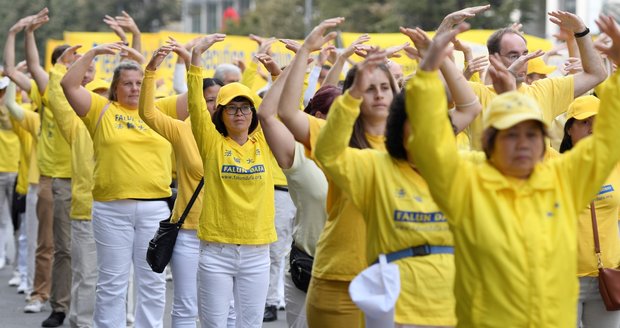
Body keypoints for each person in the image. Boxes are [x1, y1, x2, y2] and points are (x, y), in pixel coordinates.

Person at [405, 15, 620, 327]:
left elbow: (607, 135)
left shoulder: (559, 176)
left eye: (532, 134)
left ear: (544, 140)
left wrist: (593, 44)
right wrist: (433, 57)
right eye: (511, 134)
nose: (523, 144)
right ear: (492, 141)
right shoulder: (471, 179)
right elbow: (425, 134)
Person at [61, 43, 175, 328]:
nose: (135, 88)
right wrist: (94, 54)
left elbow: (198, 100)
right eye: (127, 83)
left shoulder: (161, 108)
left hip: (154, 209)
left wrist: (187, 57)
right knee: (112, 281)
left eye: (139, 83)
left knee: (152, 279)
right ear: (115, 88)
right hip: (111, 211)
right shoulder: (100, 109)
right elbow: (68, 84)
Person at [188, 34, 276, 328]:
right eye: (231, 108)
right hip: (217, 252)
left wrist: (276, 73)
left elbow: (276, 107)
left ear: (253, 113)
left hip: (257, 251)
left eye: (245, 108)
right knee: (213, 325)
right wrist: (196, 58)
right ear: (220, 113)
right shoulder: (211, 143)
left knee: (250, 325)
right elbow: (196, 106)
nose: (239, 113)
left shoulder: (263, 141)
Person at [466, 10, 606, 150]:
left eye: (525, 54)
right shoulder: (477, 93)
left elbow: (597, 74)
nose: (523, 60)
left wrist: (580, 30)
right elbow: (444, 92)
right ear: (494, 59)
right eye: (513, 56)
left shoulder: (544, 90)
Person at [139, 45, 205, 328]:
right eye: (208, 99)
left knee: (225, 308)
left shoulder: (237, 139)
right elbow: (148, 113)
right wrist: (151, 70)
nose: (213, 105)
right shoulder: (183, 129)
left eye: (218, 101)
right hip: (189, 232)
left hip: (225, 235)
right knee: (186, 305)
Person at [558, 95, 620, 328]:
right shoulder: (555, 167)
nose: (593, 127)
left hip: (607, 276)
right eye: (585, 122)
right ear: (569, 130)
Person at [47, 45, 97, 328]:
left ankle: (119, 320)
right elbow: (57, 94)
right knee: (79, 266)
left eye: (90, 69)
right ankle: (72, 316)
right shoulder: (73, 120)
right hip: (76, 195)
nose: (86, 75)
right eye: (80, 69)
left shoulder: (112, 116)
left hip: (113, 203)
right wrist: (59, 68)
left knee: (113, 274)